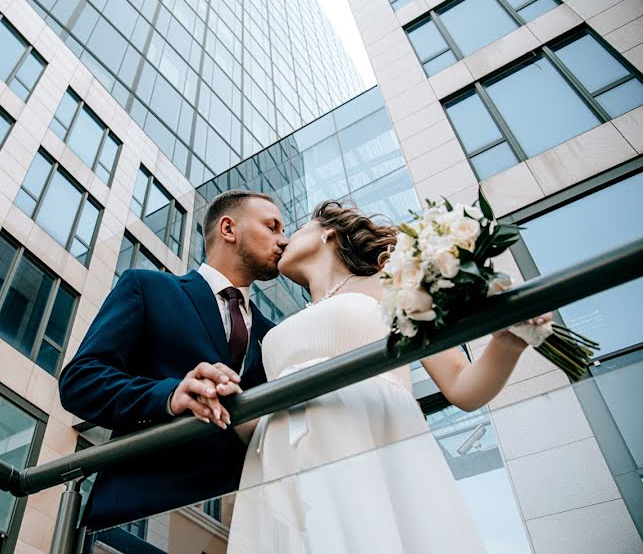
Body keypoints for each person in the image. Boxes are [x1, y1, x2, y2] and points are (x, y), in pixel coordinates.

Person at [225, 200, 550, 553]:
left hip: (365, 452)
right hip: (283, 470)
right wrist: (227, 401)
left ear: (327, 233)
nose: (284, 241)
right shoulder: (275, 329)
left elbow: (461, 385)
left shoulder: (392, 284)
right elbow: (259, 422)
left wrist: (509, 342)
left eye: (295, 230)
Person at [58, 189, 288, 530]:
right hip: (133, 520)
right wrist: (168, 395)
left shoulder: (274, 336)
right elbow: (81, 381)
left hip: (235, 526)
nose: (283, 241)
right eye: (273, 227)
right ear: (228, 229)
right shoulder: (148, 287)